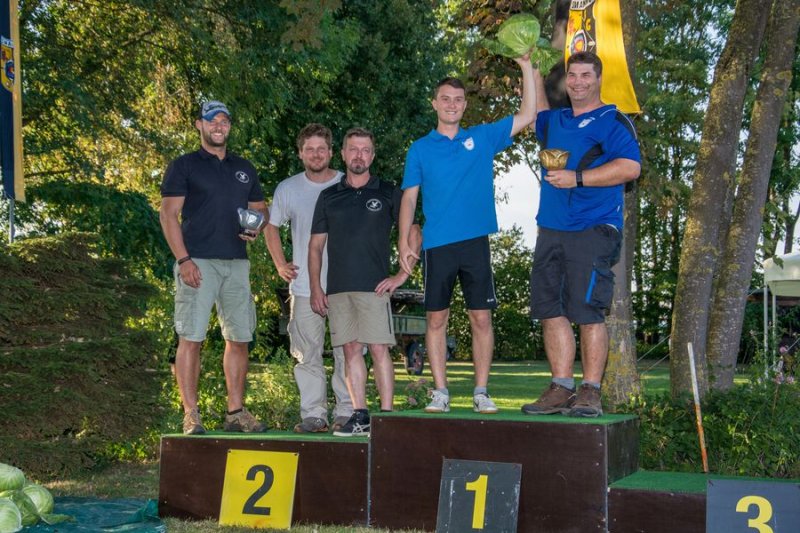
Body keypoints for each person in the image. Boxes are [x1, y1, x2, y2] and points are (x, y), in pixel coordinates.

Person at [397, 54, 537, 414]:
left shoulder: (482, 137)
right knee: (436, 319)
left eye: (458, 99)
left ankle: (481, 392)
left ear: (464, 105)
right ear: (434, 103)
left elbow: (528, 115)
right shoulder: (420, 148)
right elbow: (409, 198)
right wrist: (402, 240)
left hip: (475, 242)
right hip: (437, 245)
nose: (452, 105)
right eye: (445, 99)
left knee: (481, 318)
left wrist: (525, 65)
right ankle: (440, 393)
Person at [522, 51, 641, 418]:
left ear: (598, 78)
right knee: (550, 310)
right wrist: (531, 67)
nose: (577, 82)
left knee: (588, 311)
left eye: (586, 75)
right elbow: (537, 113)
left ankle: (590, 390)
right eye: (572, 75)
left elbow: (630, 167)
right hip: (550, 228)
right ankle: (561, 387)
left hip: (594, 228)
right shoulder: (556, 120)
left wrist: (578, 177)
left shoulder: (612, 120)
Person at [160, 100, 268, 435]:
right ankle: (191, 414)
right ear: (199, 125)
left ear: (229, 126)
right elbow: (168, 215)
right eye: (212, 120)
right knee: (191, 337)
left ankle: (235, 412)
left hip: (237, 263)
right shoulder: (185, 165)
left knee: (239, 338)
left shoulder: (244, 168)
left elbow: (260, 209)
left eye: (224, 121)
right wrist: (184, 260)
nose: (218, 126)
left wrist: (256, 225)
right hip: (198, 262)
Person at [309, 127, 420, 437]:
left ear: (372, 155)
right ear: (343, 154)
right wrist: (316, 287)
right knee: (350, 351)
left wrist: (402, 275)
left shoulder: (388, 192)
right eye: (353, 149)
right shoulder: (328, 196)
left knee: (379, 349)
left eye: (365, 150)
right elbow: (315, 247)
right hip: (338, 289)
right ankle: (360, 415)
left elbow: (414, 231)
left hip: (375, 287)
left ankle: (387, 418)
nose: (359, 155)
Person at [265, 123, 353, 434]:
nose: (316, 154)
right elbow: (271, 226)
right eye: (309, 149)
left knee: (349, 352)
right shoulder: (288, 188)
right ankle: (314, 414)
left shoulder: (348, 184)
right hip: (304, 287)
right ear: (300, 153)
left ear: (331, 152)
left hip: (345, 285)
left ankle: (347, 412)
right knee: (307, 353)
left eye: (321, 149)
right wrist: (280, 263)